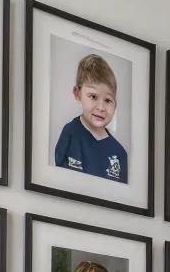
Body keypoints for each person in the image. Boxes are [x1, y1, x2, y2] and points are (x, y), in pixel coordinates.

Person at [53, 54, 128, 184]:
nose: (101, 107)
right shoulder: (70, 133)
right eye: (93, 96)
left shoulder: (119, 153)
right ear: (77, 94)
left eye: (108, 100)